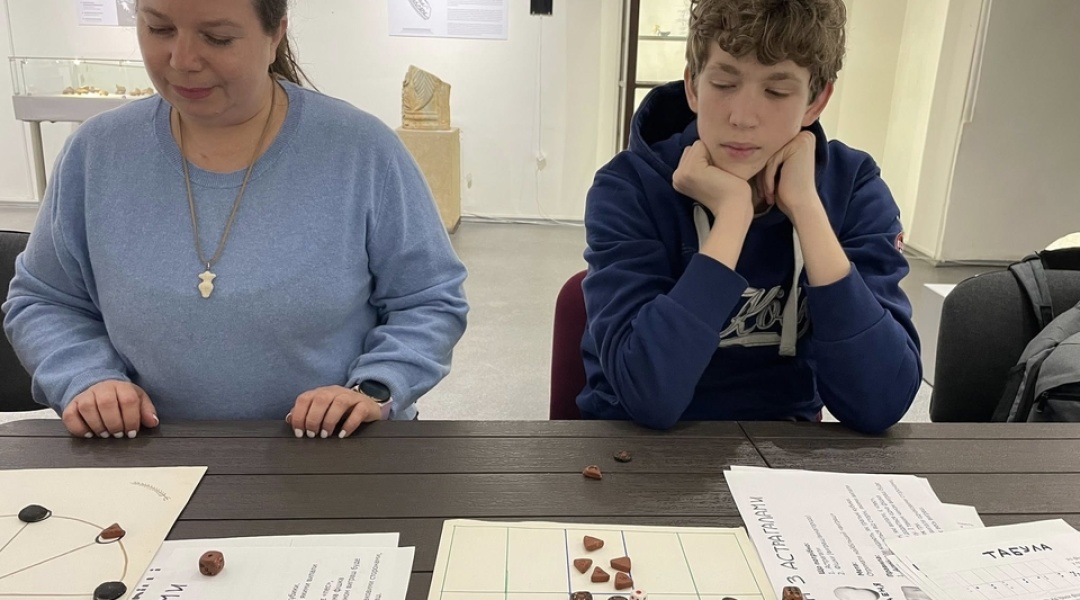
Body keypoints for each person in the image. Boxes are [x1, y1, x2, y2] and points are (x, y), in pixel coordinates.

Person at [2, 0, 468, 439]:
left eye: (218, 38)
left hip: (332, 451)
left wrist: (374, 387)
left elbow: (430, 300)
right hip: (146, 451)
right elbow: (44, 300)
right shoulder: (96, 152)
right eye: (159, 28)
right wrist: (86, 377)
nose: (182, 60)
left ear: (275, 35)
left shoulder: (361, 150)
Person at [577, 0, 920, 433]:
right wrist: (734, 215)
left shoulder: (853, 187)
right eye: (724, 83)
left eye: (776, 92)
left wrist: (807, 208)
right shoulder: (628, 187)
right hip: (639, 447)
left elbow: (881, 402)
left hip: (782, 446)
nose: (742, 117)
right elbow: (649, 394)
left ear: (816, 101)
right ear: (693, 86)